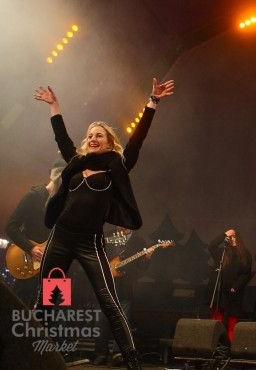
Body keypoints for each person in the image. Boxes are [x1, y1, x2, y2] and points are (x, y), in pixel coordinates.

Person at [33, 78, 174, 370]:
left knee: (109, 302)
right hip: (60, 239)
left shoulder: (115, 167)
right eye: (90, 135)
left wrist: (152, 102)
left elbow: (137, 140)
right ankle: (34, 359)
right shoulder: (76, 163)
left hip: (89, 243)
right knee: (46, 301)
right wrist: (54, 106)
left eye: (99, 135)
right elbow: (62, 138)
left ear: (109, 142)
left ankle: (133, 363)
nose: (93, 138)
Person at [5, 161, 64, 307]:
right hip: (30, 260)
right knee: (19, 307)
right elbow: (10, 227)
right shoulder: (34, 196)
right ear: (53, 174)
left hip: (55, 263)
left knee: (53, 309)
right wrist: (30, 248)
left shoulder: (64, 204)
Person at [93, 231, 152, 366]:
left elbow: (142, 267)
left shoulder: (138, 241)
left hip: (125, 289)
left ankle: (118, 355)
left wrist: (147, 258)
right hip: (105, 286)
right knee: (100, 321)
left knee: (122, 323)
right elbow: (96, 255)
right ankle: (101, 354)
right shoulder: (107, 236)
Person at [208, 228, 252, 342]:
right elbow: (211, 246)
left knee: (232, 320)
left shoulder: (245, 254)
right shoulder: (223, 252)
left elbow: (246, 273)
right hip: (221, 290)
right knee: (217, 318)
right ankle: (214, 343)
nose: (233, 239)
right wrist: (224, 234)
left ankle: (230, 344)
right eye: (230, 237)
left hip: (234, 292)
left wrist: (236, 287)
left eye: (234, 237)